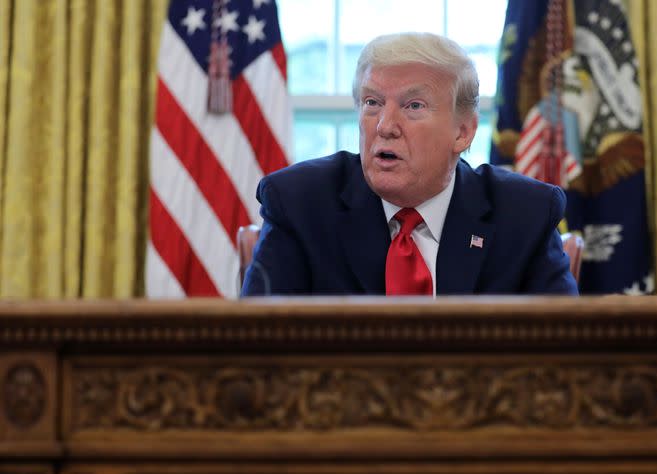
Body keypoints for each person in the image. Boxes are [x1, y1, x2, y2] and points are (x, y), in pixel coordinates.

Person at [241, 32, 578, 296]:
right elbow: (256, 350)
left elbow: (564, 355)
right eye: (372, 102)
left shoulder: (525, 215)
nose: (385, 125)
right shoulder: (300, 204)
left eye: (413, 105)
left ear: (463, 132)